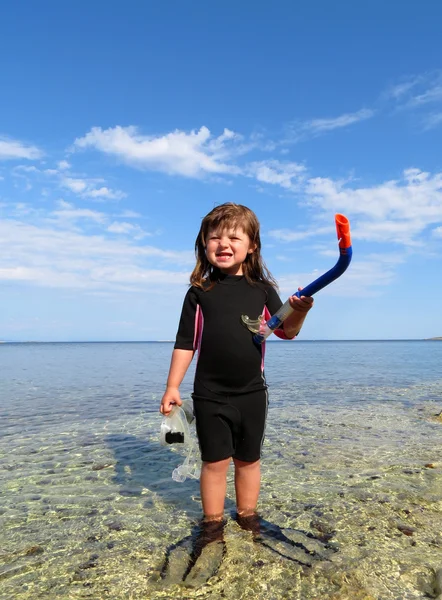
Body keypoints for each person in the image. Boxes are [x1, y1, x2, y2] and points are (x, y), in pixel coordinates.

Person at [160, 203, 314, 531]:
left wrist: (299, 310)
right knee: (214, 463)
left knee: (248, 461)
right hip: (210, 395)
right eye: (214, 237)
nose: (223, 243)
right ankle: (213, 526)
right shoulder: (199, 293)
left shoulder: (262, 291)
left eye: (233, 236)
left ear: (252, 245)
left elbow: (287, 331)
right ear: (203, 244)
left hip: (251, 394)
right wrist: (173, 386)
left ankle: (248, 518)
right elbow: (186, 343)